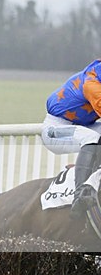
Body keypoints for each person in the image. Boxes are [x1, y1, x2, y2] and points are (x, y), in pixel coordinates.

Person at [42, 59, 101, 217]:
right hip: (55, 130)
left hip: (82, 126)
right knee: (92, 137)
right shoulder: (92, 84)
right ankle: (79, 197)